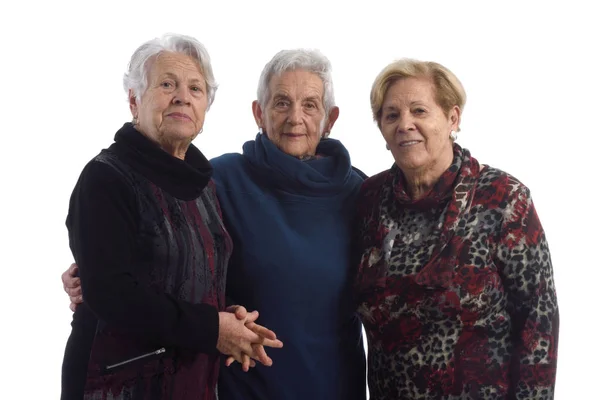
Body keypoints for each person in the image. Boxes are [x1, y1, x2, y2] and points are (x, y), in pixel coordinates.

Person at [63, 48, 367, 399]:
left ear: (330, 118)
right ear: (258, 112)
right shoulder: (216, 180)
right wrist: (85, 273)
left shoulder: (361, 193)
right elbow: (155, 248)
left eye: (310, 105)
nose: (295, 118)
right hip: (238, 384)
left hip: (334, 382)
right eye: (281, 103)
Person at [60, 33, 282, 400]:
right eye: (167, 84)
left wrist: (227, 314)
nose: (183, 96)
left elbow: (183, 281)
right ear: (134, 100)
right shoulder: (106, 177)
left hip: (192, 382)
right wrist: (213, 327)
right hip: (116, 384)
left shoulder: (204, 185)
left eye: (195, 88)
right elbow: (111, 294)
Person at [353, 58, 559, 399]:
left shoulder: (503, 199)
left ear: (452, 118)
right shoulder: (368, 200)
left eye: (419, 111)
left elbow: (539, 323)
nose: (405, 124)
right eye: (392, 115)